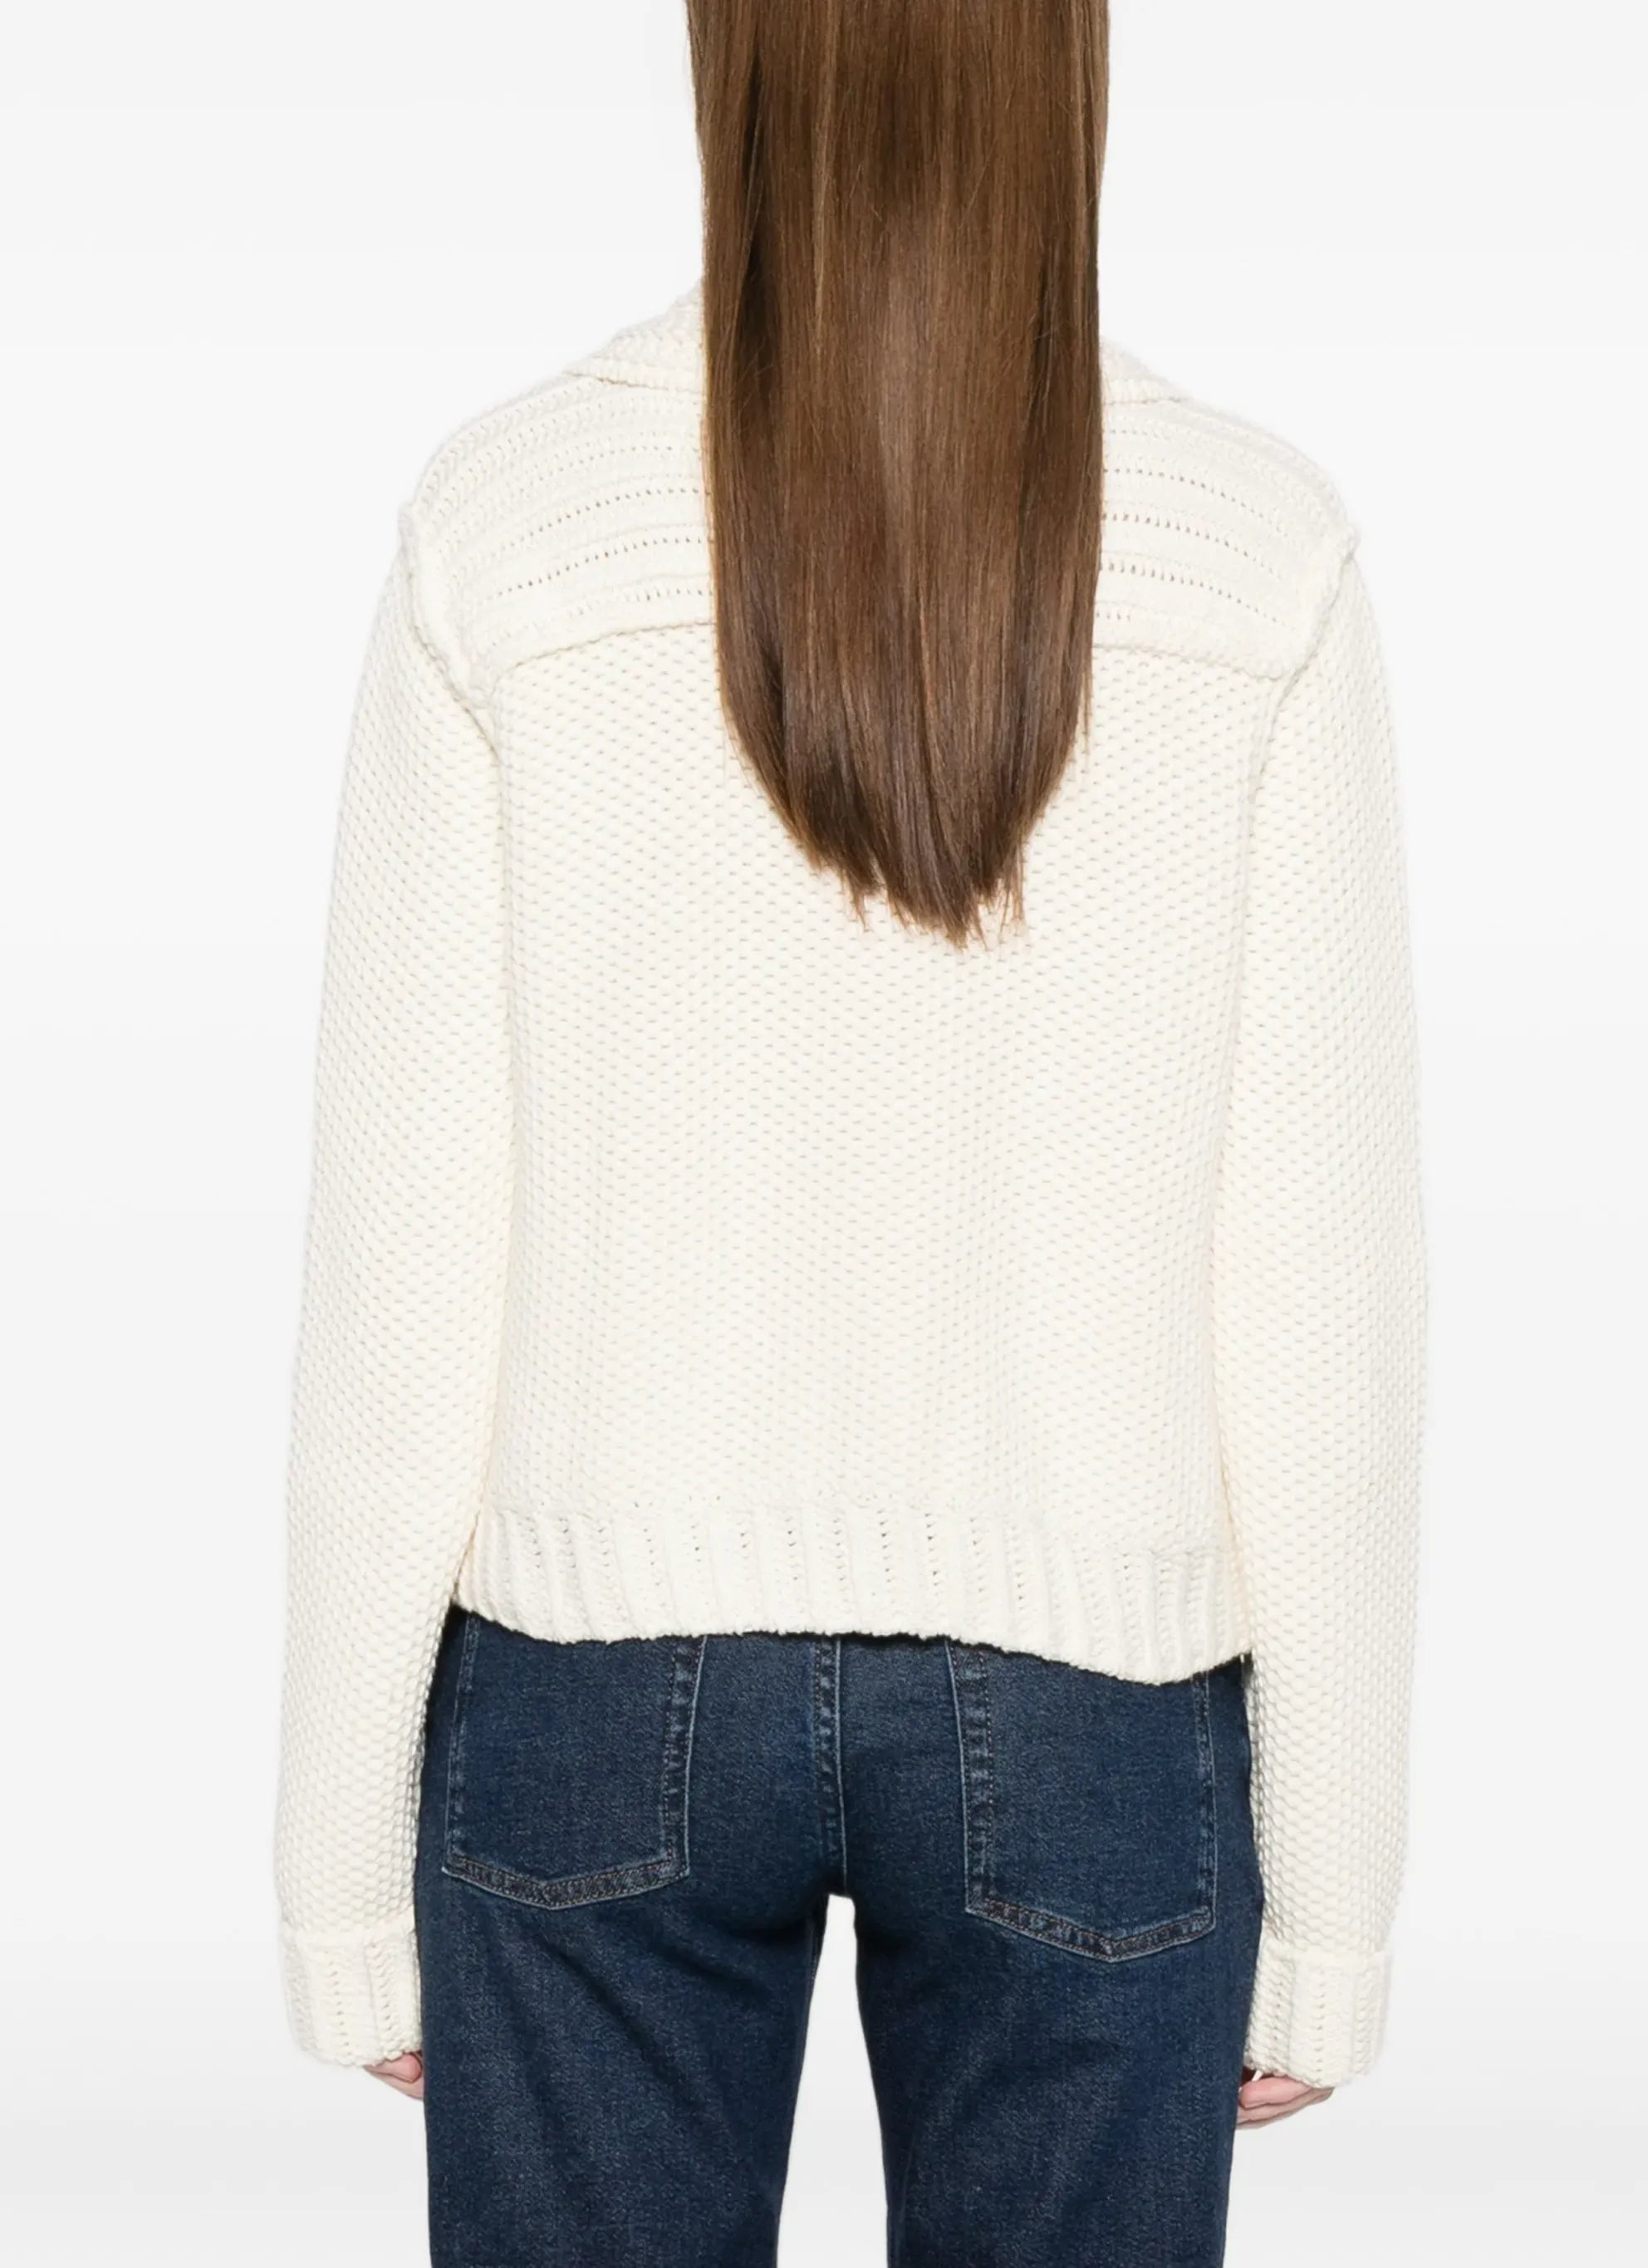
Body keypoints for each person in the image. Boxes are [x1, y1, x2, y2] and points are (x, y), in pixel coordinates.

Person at [272, 3, 1426, 2261]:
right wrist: (1339, 1893)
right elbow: (1321, 1295)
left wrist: (337, 1869)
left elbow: (403, 1259)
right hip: (1099, 1709)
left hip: (591, 1686)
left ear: (731, 63)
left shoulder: (512, 525)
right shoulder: (1251, 554)